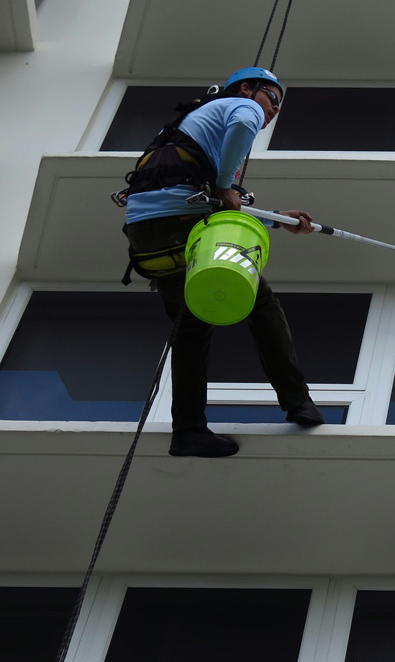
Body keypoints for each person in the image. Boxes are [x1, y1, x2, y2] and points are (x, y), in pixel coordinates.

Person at [120, 67, 324, 458]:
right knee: (260, 301)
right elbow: (223, 191)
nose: (274, 110)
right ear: (247, 89)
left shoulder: (192, 133)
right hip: (185, 228)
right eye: (272, 98)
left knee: (192, 328)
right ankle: (299, 401)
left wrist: (280, 219)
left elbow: (220, 209)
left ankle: (189, 431)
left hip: (149, 240)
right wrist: (226, 184)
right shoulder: (238, 107)